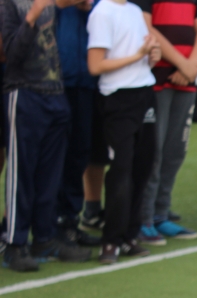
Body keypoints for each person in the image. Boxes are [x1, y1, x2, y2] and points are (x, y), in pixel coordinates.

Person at [2, 0, 93, 272]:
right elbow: (11, 52)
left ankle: (45, 238)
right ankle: (15, 244)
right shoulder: (8, 4)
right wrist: (32, 15)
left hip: (55, 95)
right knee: (22, 175)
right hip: (24, 93)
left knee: (50, 177)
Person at [87, 0, 163, 264]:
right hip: (118, 99)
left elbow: (144, 58)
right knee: (121, 169)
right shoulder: (102, 12)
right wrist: (138, 54)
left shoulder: (133, 11)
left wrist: (151, 57)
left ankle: (130, 235)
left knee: (143, 165)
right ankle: (111, 240)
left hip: (144, 94)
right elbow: (95, 66)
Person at [135, 0, 197, 243]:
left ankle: (160, 213)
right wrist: (182, 62)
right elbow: (146, 26)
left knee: (175, 150)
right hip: (156, 79)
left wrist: (190, 67)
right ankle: (143, 218)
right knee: (153, 151)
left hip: (186, 80)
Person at [55, 0, 103, 249]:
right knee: (52, 157)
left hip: (85, 79)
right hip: (53, 80)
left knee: (79, 153)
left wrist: (90, 6)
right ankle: (46, 225)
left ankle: (70, 222)